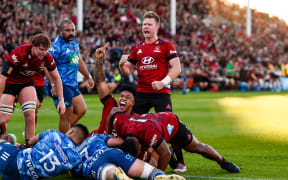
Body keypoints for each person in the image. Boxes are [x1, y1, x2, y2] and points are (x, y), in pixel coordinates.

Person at [118, 11, 185, 172]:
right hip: (141, 93)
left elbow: (177, 68)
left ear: (157, 27)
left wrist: (163, 83)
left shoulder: (166, 45)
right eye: (144, 24)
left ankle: (180, 162)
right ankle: (131, 156)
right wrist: (122, 65)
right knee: (132, 124)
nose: (145, 27)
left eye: (149, 24)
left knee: (170, 126)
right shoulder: (138, 48)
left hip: (161, 93)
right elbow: (127, 70)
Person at [106, 108, 240, 173]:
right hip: (153, 127)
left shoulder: (148, 132)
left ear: (141, 144)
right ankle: (161, 151)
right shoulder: (122, 125)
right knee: (150, 158)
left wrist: (158, 175)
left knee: (196, 147)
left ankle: (223, 162)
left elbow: (166, 154)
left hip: (171, 124)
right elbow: (113, 111)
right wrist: (108, 133)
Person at [0, 33, 66, 147]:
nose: (44, 53)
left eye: (46, 50)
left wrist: (61, 100)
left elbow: (57, 78)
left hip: (26, 83)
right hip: (10, 84)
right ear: (33, 46)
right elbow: (3, 76)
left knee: (31, 113)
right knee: (4, 118)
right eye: (41, 49)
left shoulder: (47, 58)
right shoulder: (19, 53)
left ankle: (28, 148)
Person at [48, 19, 95, 133]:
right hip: (61, 84)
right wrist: (53, 84)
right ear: (60, 31)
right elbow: (46, 65)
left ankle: (61, 135)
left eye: (73, 30)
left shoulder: (74, 43)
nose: (71, 33)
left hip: (72, 83)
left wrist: (88, 76)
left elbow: (77, 60)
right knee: (66, 115)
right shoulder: (56, 46)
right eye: (67, 30)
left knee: (81, 110)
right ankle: (64, 142)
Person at [72, 133, 185, 180]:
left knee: (109, 171)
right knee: (149, 171)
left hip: (93, 164)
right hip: (111, 152)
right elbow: (117, 142)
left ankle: (116, 174)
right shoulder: (97, 137)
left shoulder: (74, 152)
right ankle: (158, 176)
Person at [0, 123, 89, 180]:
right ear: (80, 143)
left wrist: (22, 146)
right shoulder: (76, 160)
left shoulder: (55, 134)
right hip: (22, 178)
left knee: (2, 141)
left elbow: (31, 141)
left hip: (13, 161)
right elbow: (76, 173)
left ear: (71, 131)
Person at [89, 43, 135, 135]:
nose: (123, 98)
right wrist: (99, 60)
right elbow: (100, 82)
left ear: (133, 103)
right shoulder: (111, 105)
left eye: (128, 97)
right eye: (121, 96)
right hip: (93, 144)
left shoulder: (133, 121)